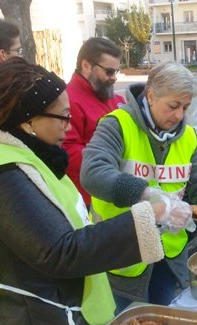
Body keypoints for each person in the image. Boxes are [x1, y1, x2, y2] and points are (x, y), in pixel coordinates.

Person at [0, 57, 193, 325]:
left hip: (35, 318)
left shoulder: (9, 157)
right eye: (63, 117)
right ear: (27, 120)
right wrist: (152, 213)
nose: (69, 127)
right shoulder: (1, 175)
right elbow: (60, 252)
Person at [80, 62, 197, 309]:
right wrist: (150, 197)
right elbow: (93, 173)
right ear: (151, 95)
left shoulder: (186, 136)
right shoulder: (117, 125)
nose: (179, 116)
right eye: (173, 106)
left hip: (169, 257)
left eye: (185, 107)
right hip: (123, 256)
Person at [62, 37, 125, 206]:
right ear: (86, 66)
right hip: (89, 197)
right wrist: (111, 162)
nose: (114, 78)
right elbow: (67, 151)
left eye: (116, 72)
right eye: (109, 72)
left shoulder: (111, 97)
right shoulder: (67, 101)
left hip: (114, 187)